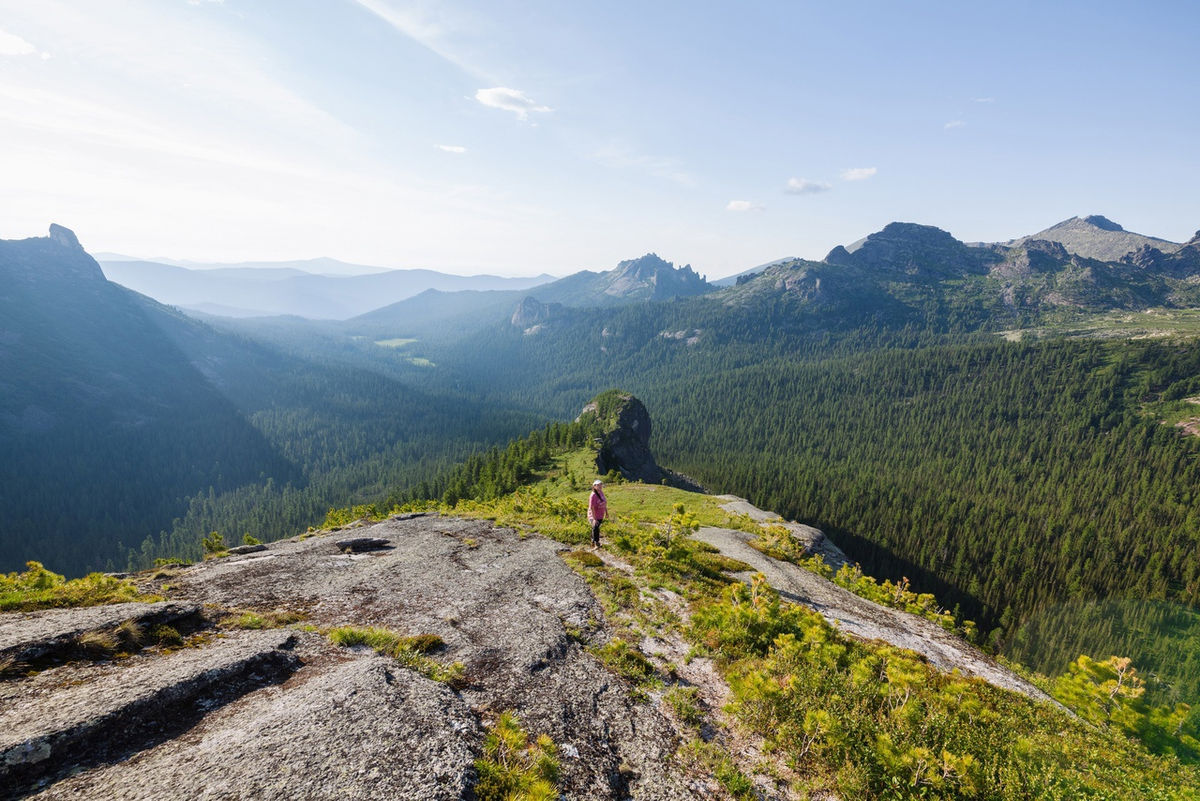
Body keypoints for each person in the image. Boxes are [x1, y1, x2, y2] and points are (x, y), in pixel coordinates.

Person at [587, 479, 607, 547]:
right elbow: (592, 508)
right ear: (594, 486)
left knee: (596, 527)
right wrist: (594, 519)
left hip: (601, 514)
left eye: (601, 484)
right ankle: (596, 543)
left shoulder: (601, 492)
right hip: (594, 514)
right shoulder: (593, 495)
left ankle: (593, 540)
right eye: (598, 485)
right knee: (595, 527)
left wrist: (606, 512)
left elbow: (604, 502)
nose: (600, 486)